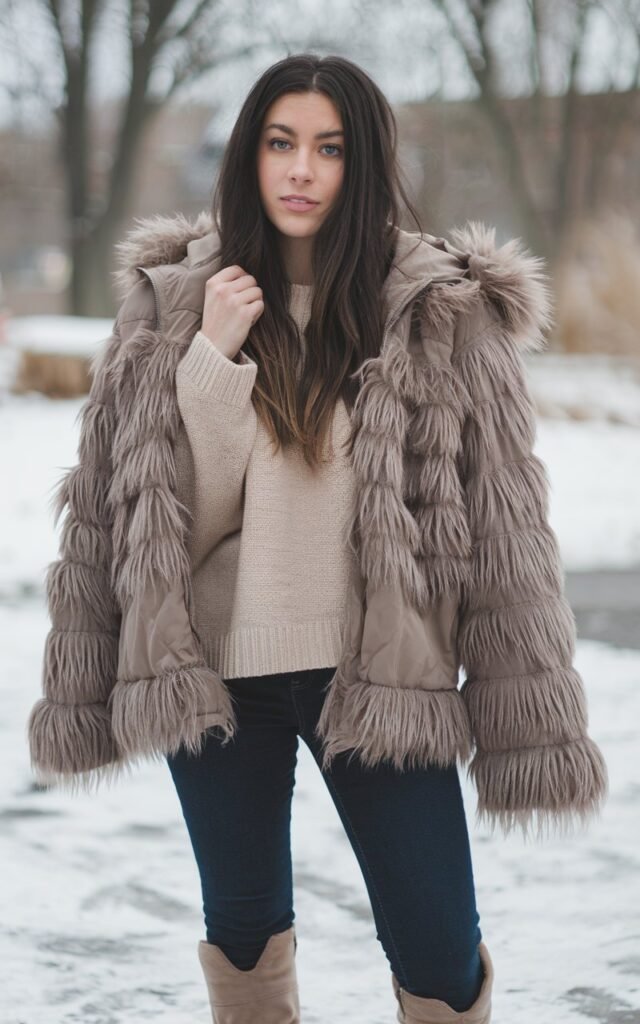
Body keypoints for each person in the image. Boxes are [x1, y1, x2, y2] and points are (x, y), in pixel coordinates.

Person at [27, 53, 608, 1024]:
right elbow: (142, 523)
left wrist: (527, 724)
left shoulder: (437, 312)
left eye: (328, 148)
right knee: (244, 948)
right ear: (250, 156)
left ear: (364, 163)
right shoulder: (174, 306)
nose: (300, 168)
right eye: (279, 142)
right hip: (218, 681)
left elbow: (508, 535)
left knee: (438, 955)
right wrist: (211, 356)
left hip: (380, 681)